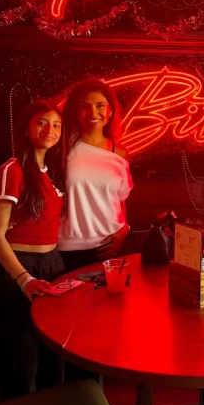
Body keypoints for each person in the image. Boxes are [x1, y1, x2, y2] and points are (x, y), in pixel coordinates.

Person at [0, 100, 66, 397]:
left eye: (56, 125)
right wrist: (24, 279)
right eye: (42, 122)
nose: (50, 129)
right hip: (19, 267)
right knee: (22, 357)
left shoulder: (49, 172)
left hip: (52, 264)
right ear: (26, 128)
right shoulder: (12, 170)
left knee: (51, 351)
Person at [58, 78, 133, 271]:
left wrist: (123, 231)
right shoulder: (61, 150)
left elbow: (120, 201)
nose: (93, 113)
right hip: (68, 249)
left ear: (110, 110)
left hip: (111, 246)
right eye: (85, 106)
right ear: (75, 111)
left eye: (100, 105)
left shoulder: (120, 153)